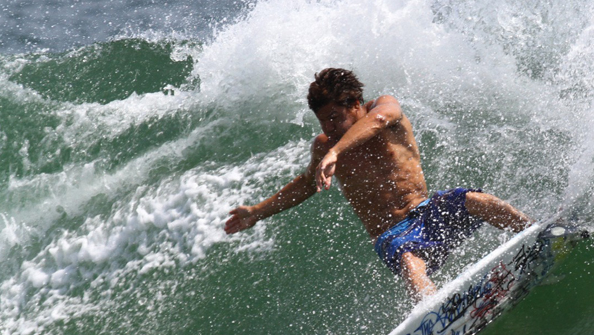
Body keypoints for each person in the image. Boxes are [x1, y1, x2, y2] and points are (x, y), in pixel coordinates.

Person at [225, 68, 532, 302]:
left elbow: (379, 120)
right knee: (411, 263)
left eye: (335, 117)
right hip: (392, 235)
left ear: (355, 103)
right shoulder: (324, 146)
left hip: (427, 211)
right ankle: (435, 313)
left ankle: (536, 232)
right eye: (323, 122)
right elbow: (306, 184)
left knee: (476, 200)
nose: (329, 128)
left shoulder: (385, 108)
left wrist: (336, 151)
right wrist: (256, 212)